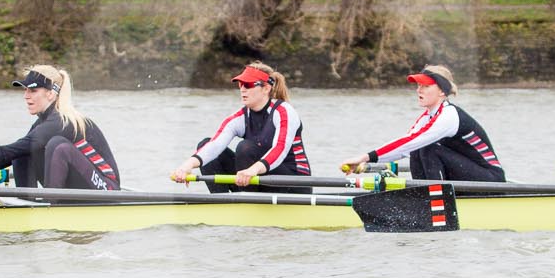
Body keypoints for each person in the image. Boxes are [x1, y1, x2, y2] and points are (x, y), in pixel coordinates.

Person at [0, 65, 123, 190]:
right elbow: (12, 152)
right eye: (25, 90)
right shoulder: (42, 123)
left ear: (50, 94)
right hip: (81, 186)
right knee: (23, 151)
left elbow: (7, 151)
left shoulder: (63, 122)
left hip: (107, 188)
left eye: (33, 90)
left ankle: (52, 209)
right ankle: (26, 203)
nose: (26, 96)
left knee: (58, 145)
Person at [341, 66, 506, 183]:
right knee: (418, 148)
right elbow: (405, 147)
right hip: (466, 176)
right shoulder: (427, 117)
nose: (419, 90)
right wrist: (367, 162)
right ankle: (423, 197)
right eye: (418, 86)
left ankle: (432, 200)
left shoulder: (449, 116)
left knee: (427, 147)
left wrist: (364, 157)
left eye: (425, 86)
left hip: (490, 180)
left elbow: (410, 143)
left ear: (442, 91)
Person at [169, 62, 311, 191]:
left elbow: (279, 149)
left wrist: (253, 170)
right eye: (240, 84)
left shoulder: (284, 111)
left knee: (245, 147)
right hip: (255, 179)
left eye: (248, 85)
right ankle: (222, 200)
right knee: (204, 144)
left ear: (266, 88)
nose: (243, 89)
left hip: (294, 183)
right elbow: (214, 146)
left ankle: (246, 202)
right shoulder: (240, 118)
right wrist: (186, 166)